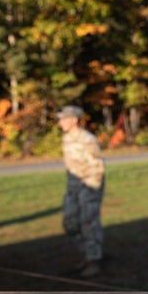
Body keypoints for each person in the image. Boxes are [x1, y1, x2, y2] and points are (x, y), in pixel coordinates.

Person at [57, 105, 106, 279]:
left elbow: (98, 167)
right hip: (73, 187)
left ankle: (93, 260)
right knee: (69, 223)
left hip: (89, 186)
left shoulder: (87, 139)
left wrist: (91, 190)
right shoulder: (66, 138)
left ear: (74, 120)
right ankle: (85, 254)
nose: (60, 122)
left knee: (88, 222)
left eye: (63, 118)